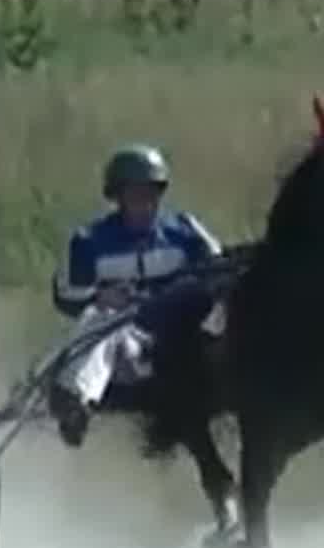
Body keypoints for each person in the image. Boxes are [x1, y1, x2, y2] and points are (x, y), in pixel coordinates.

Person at [47, 142, 226, 445]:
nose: (146, 204)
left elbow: (221, 270)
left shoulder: (184, 231)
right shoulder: (89, 241)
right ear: (118, 197)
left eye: (152, 194)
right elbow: (64, 293)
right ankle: (77, 404)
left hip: (182, 340)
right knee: (102, 317)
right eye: (136, 195)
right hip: (127, 350)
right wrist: (98, 296)